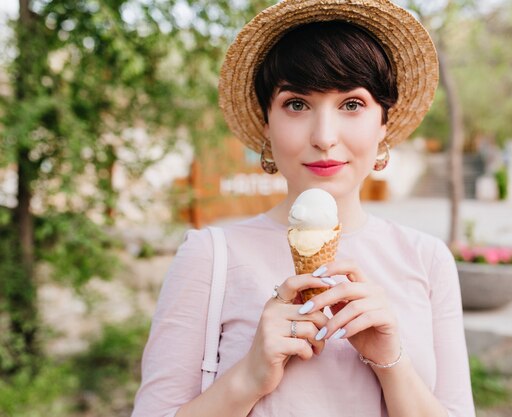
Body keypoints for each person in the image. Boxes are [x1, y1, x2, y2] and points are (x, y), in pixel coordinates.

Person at [132, 1, 476, 416]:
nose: (325, 136)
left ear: (384, 122)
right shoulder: (209, 257)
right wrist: (250, 376)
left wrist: (390, 361)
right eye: (297, 103)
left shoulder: (426, 259)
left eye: (352, 104)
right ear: (266, 122)